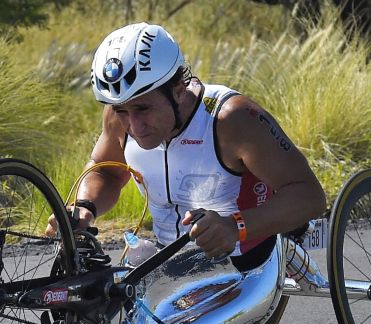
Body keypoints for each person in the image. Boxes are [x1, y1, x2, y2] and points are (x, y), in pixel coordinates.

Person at [46, 22, 325, 263]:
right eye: (121, 110)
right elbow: (106, 169)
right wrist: (85, 208)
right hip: (171, 262)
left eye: (143, 109)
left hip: (246, 256)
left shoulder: (232, 119)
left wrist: (234, 226)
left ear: (179, 89)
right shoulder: (118, 116)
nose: (133, 126)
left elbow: (309, 196)